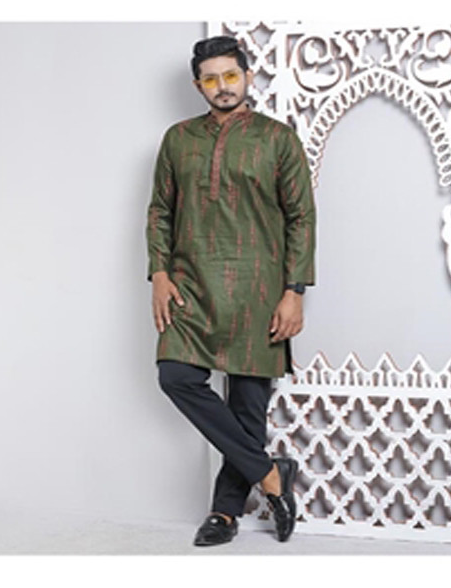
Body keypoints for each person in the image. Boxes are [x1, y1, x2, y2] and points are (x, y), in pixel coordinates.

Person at [145, 35, 316, 546]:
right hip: (191, 284)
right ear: (199, 84)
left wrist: (294, 290)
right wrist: (159, 274)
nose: (222, 86)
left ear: (248, 77)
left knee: (247, 407)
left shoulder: (277, 139)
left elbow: (301, 218)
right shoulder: (178, 139)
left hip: (259, 287)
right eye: (211, 79)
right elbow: (160, 211)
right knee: (176, 376)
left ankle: (224, 512)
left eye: (231, 75)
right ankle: (270, 474)